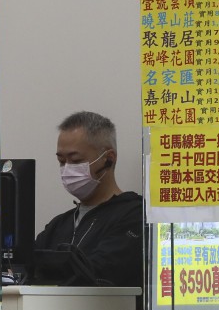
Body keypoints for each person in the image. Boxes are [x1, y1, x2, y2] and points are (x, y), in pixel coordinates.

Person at [34, 111, 143, 287]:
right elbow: (27, 268)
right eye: (62, 161)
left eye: (76, 161)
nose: (67, 170)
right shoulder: (58, 225)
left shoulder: (134, 216)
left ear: (109, 159)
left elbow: (100, 273)